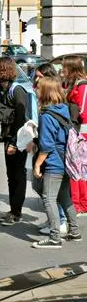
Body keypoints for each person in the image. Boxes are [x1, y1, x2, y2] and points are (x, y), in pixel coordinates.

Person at [31, 77, 83, 248]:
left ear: (45, 92)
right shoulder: (64, 110)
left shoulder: (46, 116)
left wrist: (37, 165)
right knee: (64, 197)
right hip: (67, 161)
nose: (36, 90)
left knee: (48, 198)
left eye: (38, 88)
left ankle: (54, 237)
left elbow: (46, 146)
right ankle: (74, 231)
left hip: (54, 163)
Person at [0, 56, 30, 226]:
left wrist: (15, 143)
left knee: (18, 174)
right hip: (7, 137)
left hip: (19, 138)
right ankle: (13, 209)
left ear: (2, 69)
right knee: (10, 175)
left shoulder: (17, 90)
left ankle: (17, 211)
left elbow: (21, 120)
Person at [60, 56, 87, 216]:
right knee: (77, 168)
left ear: (72, 68)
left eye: (64, 67)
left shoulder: (82, 85)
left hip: (80, 131)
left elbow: (83, 111)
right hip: (76, 130)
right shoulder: (72, 84)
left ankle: (79, 203)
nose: (61, 70)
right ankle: (78, 203)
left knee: (78, 168)